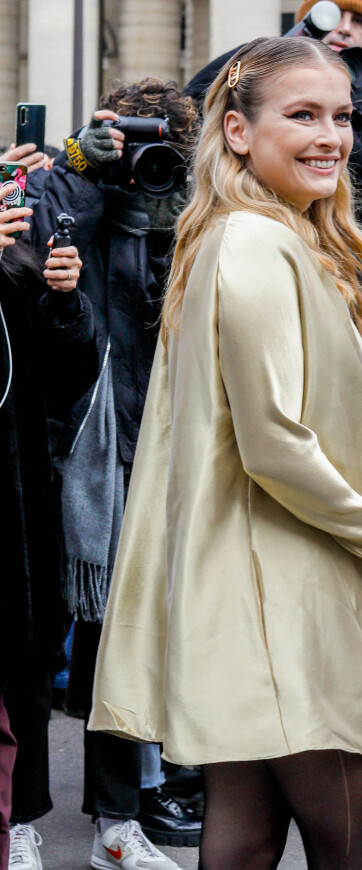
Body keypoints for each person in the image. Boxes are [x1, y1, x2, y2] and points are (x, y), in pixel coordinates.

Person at [88, 37, 362, 869]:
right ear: (235, 131)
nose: (331, 137)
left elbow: (269, 416)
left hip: (252, 593)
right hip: (292, 598)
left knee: (245, 834)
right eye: (302, 115)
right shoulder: (257, 245)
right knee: (347, 845)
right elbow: (274, 445)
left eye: (340, 116)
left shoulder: (240, 235)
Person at [27, 79, 201, 869]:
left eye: (165, 141)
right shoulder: (74, 184)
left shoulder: (189, 202)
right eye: (136, 137)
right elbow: (44, 243)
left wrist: (171, 198)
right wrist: (85, 166)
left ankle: (117, 823)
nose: (147, 155)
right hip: (61, 437)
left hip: (142, 440)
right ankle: (20, 816)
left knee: (119, 642)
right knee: (33, 640)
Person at [0, 183, 97, 870]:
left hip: (21, 499)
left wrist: (65, 302)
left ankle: (22, 816)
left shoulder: (19, 268)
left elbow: (70, 381)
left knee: (25, 661)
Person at [184, 0, 362, 221]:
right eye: (303, 114)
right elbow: (195, 96)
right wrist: (270, 50)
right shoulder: (245, 232)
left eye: (342, 116)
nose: (345, 29)